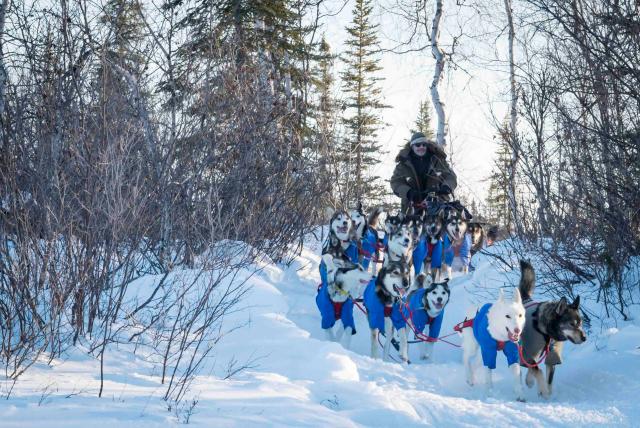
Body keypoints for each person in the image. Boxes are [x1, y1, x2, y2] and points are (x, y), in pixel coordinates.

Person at [390, 132, 457, 214]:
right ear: (412, 147)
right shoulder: (403, 165)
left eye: (424, 144)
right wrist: (409, 192)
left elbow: (450, 176)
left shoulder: (438, 160)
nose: (421, 147)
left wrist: (446, 187)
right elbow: (396, 182)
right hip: (411, 209)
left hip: (437, 207)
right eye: (418, 145)